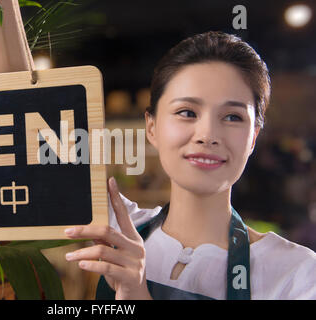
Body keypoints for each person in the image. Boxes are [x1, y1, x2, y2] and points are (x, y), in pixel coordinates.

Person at [64, 31, 316, 300]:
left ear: (253, 137)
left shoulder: (297, 274)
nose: (207, 135)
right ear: (152, 127)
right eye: (187, 112)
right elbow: (25, 103)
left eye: (232, 116)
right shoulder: (116, 226)